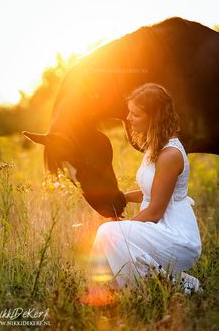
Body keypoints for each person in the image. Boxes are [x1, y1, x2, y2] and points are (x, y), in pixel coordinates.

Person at [86, 83, 202, 301]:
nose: (128, 118)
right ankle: (108, 291)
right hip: (160, 230)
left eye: (135, 114)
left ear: (154, 117)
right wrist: (122, 197)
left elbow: (155, 210)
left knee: (109, 233)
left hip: (177, 236)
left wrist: (122, 229)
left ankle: (135, 292)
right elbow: (151, 191)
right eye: (129, 111)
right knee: (110, 234)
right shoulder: (155, 147)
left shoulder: (169, 155)